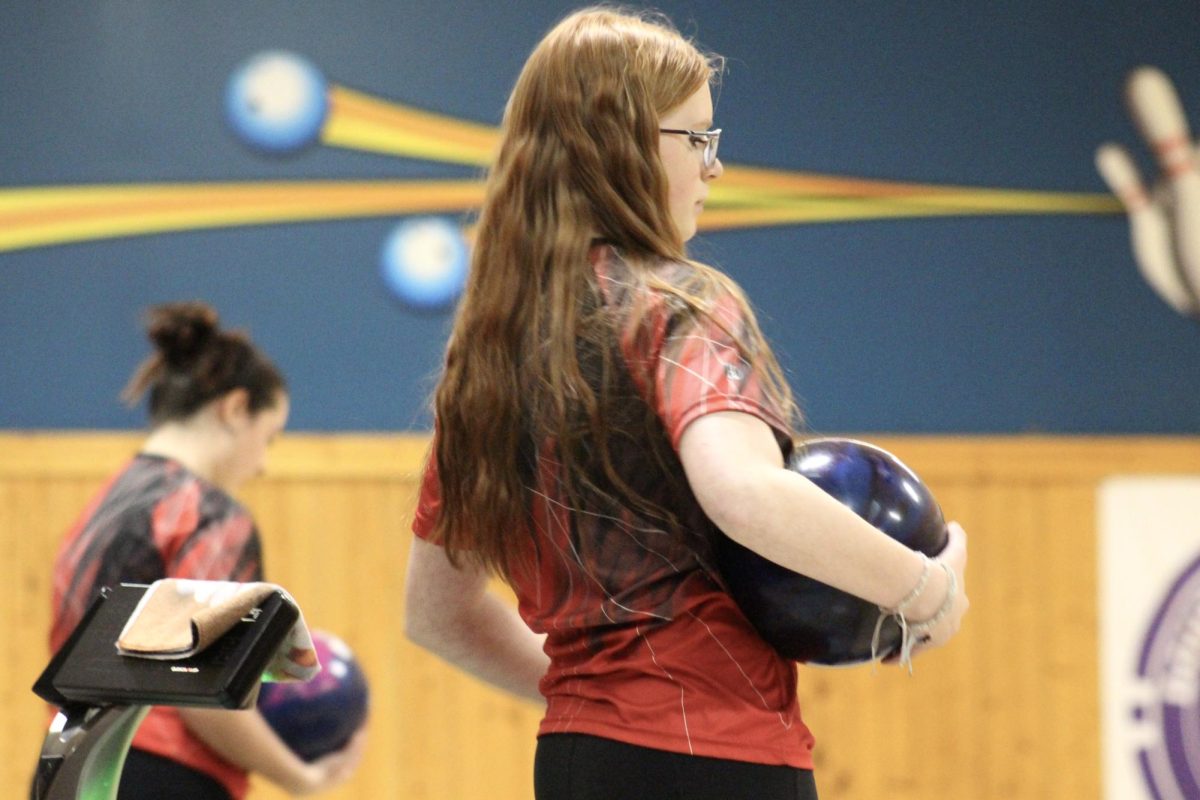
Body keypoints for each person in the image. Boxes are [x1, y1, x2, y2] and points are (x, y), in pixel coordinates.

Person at [404, 7, 969, 800]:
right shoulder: (675, 306)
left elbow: (436, 615)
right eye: (697, 138)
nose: (714, 168)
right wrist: (926, 589)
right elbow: (743, 492)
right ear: (622, 145)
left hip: (574, 763)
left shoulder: (486, 353)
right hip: (720, 762)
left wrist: (601, 704)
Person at [44, 301, 366, 800]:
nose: (262, 465)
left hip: (69, 773)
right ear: (236, 409)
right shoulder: (210, 517)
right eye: (270, 438)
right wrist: (302, 779)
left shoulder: (102, 506)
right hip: (165, 779)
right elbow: (200, 694)